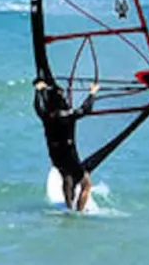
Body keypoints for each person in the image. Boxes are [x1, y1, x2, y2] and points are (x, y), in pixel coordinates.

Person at [34, 77, 100, 211]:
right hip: (69, 152)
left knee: (66, 176)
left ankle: (69, 207)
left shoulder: (47, 115)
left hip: (54, 153)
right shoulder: (68, 114)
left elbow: (37, 107)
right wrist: (92, 93)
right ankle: (79, 211)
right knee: (86, 183)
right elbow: (85, 109)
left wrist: (38, 92)